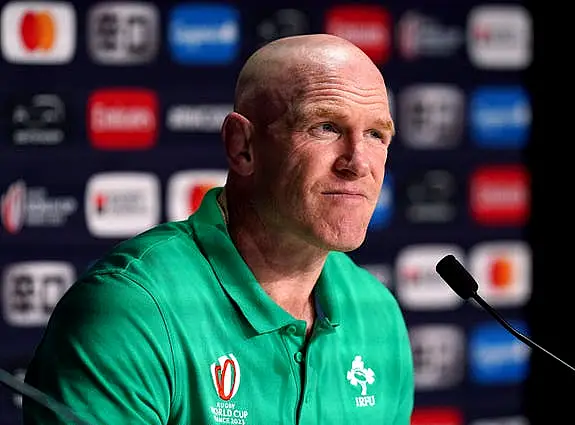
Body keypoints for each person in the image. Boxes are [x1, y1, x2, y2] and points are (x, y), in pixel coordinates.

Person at [23, 33, 414, 425]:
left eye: (376, 134)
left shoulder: (376, 311)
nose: (358, 163)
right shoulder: (131, 309)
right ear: (242, 146)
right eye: (325, 127)